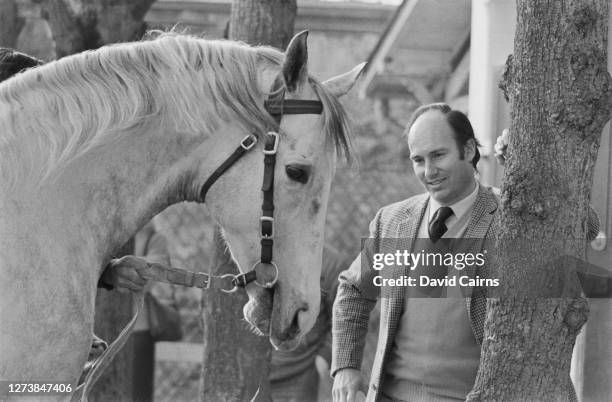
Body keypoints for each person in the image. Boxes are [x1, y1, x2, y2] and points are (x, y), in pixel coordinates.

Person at [331, 103, 599, 402]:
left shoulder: (512, 217)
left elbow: (583, 226)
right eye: (418, 160)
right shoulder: (393, 221)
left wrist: (529, 170)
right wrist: (346, 365)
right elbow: (354, 288)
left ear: (469, 149)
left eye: (438, 155)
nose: (428, 171)